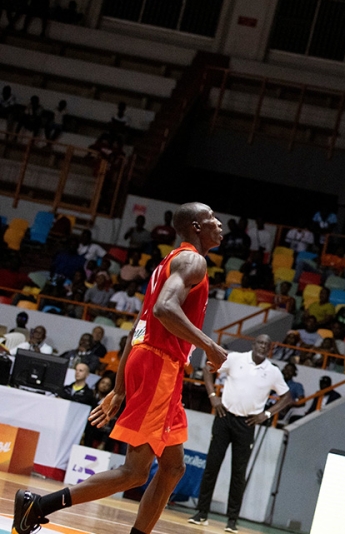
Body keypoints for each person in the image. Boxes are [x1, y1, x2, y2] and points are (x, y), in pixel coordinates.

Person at [14, 202, 229, 534]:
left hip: (152, 361)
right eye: (212, 219)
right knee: (136, 471)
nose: (220, 225)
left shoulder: (167, 264)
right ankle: (38, 505)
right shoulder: (193, 261)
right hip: (159, 365)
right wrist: (210, 346)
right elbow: (163, 308)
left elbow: (137, 329)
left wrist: (119, 389)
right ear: (196, 227)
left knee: (173, 468)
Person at [189, 335, 293, 531]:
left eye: (267, 344)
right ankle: (201, 513)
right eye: (260, 342)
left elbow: (287, 397)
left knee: (238, 473)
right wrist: (213, 397)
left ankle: (232, 520)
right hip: (224, 416)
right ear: (254, 344)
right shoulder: (235, 358)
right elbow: (208, 368)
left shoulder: (272, 372)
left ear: (269, 349)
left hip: (247, 423)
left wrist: (268, 414)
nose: (263, 346)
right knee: (212, 465)